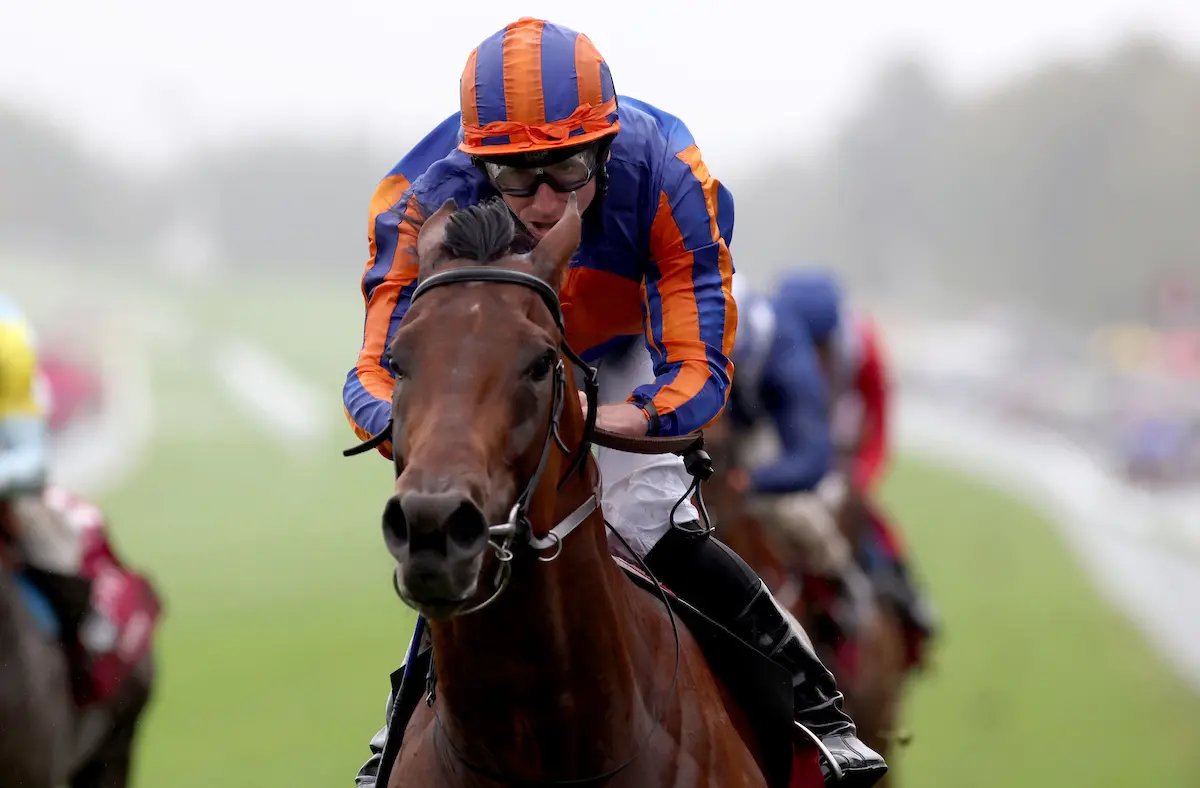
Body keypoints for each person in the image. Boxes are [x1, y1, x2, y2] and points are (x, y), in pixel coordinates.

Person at [344, 18, 885, 787]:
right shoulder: (422, 199)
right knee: (472, 526)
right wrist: (440, 430)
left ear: (603, 149)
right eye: (514, 177)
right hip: (493, 355)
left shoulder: (668, 175)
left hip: (625, 350)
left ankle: (814, 703)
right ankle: (397, 727)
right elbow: (371, 376)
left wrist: (601, 420)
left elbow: (697, 372)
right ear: (478, 164)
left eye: (565, 170)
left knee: (649, 516)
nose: (541, 203)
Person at [777, 269, 937, 656]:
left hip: (841, 453)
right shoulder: (771, 344)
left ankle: (908, 605)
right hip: (790, 448)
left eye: (819, 348)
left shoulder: (864, 350)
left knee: (867, 524)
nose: (812, 360)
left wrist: (859, 480)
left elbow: (879, 425)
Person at [0, 295, 95, 702]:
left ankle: (83, 682)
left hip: (6, 492)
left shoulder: (6, 335)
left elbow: (32, 458)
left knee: (63, 571)